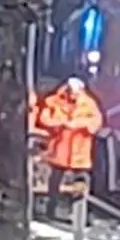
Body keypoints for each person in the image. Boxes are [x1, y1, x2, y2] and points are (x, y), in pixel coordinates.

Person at [35, 77, 104, 220]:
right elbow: (44, 118)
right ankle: (50, 210)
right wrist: (60, 123)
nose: (73, 95)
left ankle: (80, 214)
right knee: (54, 181)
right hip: (60, 149)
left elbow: (96, 123)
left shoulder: (89, 104)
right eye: (71, 91)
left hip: (79, 152)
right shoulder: (54, 101)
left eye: (76, 92)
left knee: (80, 183)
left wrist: (77, 124)